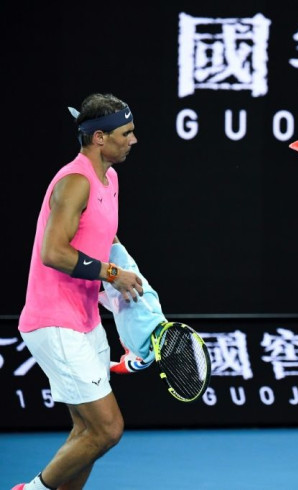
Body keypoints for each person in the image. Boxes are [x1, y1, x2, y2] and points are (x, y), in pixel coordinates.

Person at [14, 93, 145, 490]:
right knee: (107, 429)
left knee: (86, 433)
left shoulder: (111, 178)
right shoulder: (74, 181)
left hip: (85, 319)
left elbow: (104, 236)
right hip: (54, 321)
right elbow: (53, 252)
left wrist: (129, 280)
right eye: (127, 133)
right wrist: (110, 272)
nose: (134, 140)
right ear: (100, 138)